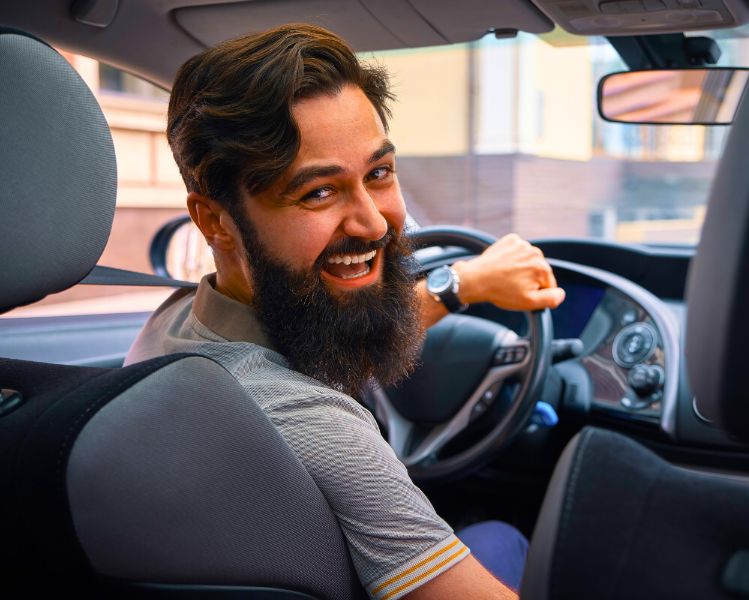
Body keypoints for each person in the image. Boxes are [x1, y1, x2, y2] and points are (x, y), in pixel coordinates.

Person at [125, 23, 565, 600]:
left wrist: (463, 283)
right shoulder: (312, 423)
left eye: (378, 174)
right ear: (214, 220)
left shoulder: (178, 324)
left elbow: (332, 326)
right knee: (505, 536)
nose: (375, 223)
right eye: (318, 193)